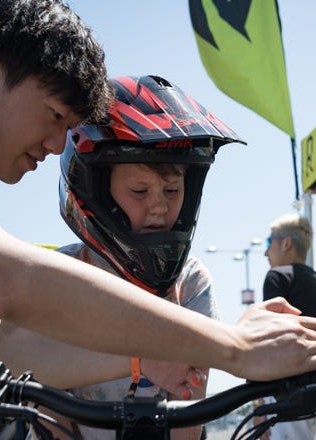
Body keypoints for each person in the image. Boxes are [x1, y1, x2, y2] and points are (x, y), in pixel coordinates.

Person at [0, 0, 316, 396]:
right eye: (54, 115)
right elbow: (5, 281)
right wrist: (235, 348)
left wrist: (143, 359)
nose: (56, 145)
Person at [55, 74, 232, 439]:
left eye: (172, 189)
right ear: (97, 192)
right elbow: (44, 409)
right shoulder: (60, 276)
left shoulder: (191, 281)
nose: (159, 206)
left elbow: (188, 410)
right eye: (139, 189)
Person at [257, 213, 316, 440]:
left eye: (268, 242)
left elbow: (269, 340)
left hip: (288, 388)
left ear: (286, 243)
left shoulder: (277, 276)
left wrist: (258, 404)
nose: (265, 252)